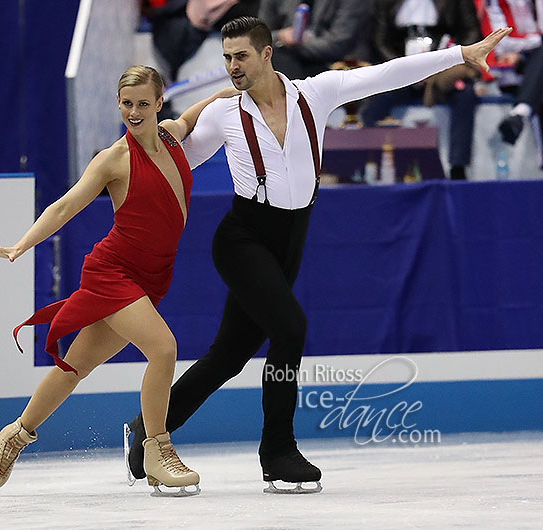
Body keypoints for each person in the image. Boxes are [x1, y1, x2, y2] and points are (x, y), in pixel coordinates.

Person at [125, 16, 511, 493]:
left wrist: (459, 54)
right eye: (226, 57)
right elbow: (178, 160)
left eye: (240, 55)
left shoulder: (316, 94)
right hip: (242, 238)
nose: (232, 67)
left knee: (227, 356)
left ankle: (146, 431)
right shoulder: (224, 114)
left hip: (291, 239)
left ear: (267, 54)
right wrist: (159, 139)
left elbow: (388, 72)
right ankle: (278, 450)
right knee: (291, 327)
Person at [0, 65, 236, 496]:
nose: (134, 112)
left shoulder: (171, 136)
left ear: (159, 102)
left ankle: (14, 435)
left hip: (151, 277)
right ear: (119, 104)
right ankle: (158, 450)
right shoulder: (114, 159)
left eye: (142, 104)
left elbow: (197, 111)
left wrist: (240, 87)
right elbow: (63, 207)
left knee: (76, 366)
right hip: (113, 272)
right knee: (164, 348)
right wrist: (21, 244)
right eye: (126, 104)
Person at [361, 0, 483, 181]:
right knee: (374, 101)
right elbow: (380, 41)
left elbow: (471, 32)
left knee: (465, 95)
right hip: (401, 69)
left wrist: (450, 60)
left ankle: (458, 168)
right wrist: (406, 69)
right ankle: (370, 163)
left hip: (444, 67)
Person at [476, 0, 543, 163]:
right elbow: (500, 40)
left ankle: (520, 112)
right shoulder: (493, 4)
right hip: (508, 70)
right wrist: (527, 48)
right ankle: (522, 111)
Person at [258, 0, 374, 79]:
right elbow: (260, 35)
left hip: (335, 63)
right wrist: (281, 36)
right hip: (287, 58)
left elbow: (338, 45)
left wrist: (295, 42)